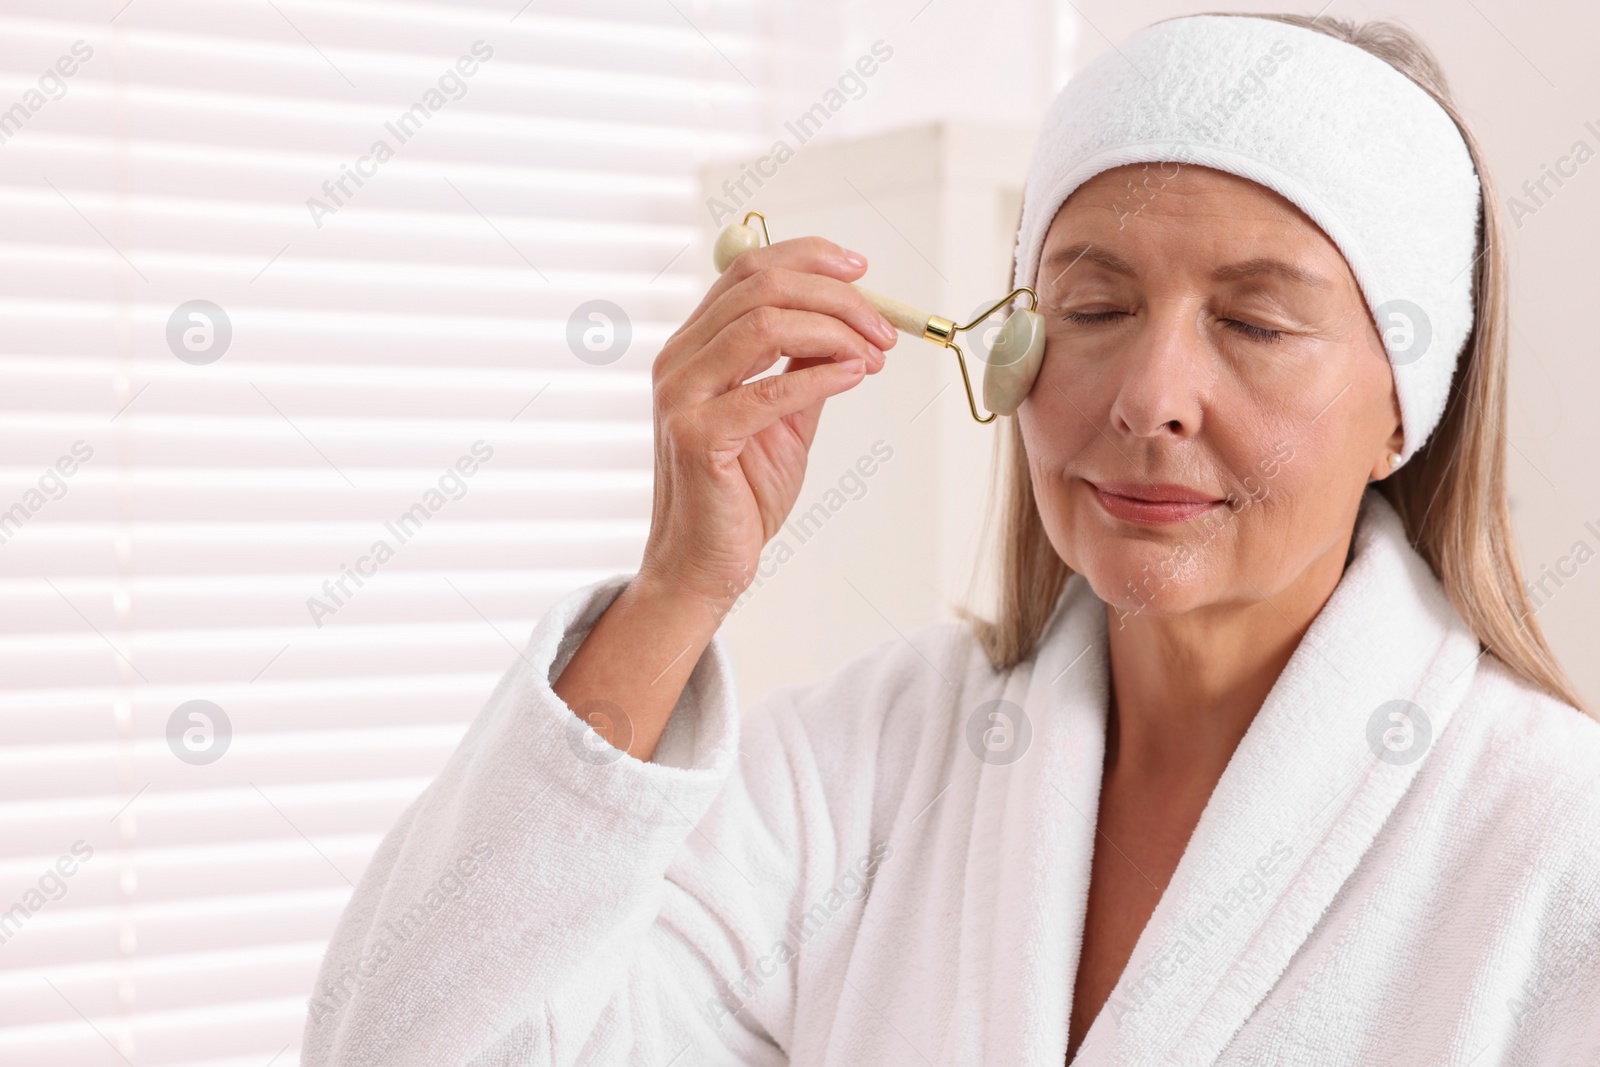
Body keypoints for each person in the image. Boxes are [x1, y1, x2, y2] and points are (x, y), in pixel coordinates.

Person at [299, 12, 1600, 1066]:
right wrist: (675, 595)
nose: (1151, 393)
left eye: (1255, 324)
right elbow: (406, 1045)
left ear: (1406, 407)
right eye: (1092, 303)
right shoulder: (864, 772)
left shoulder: (1555, 847)